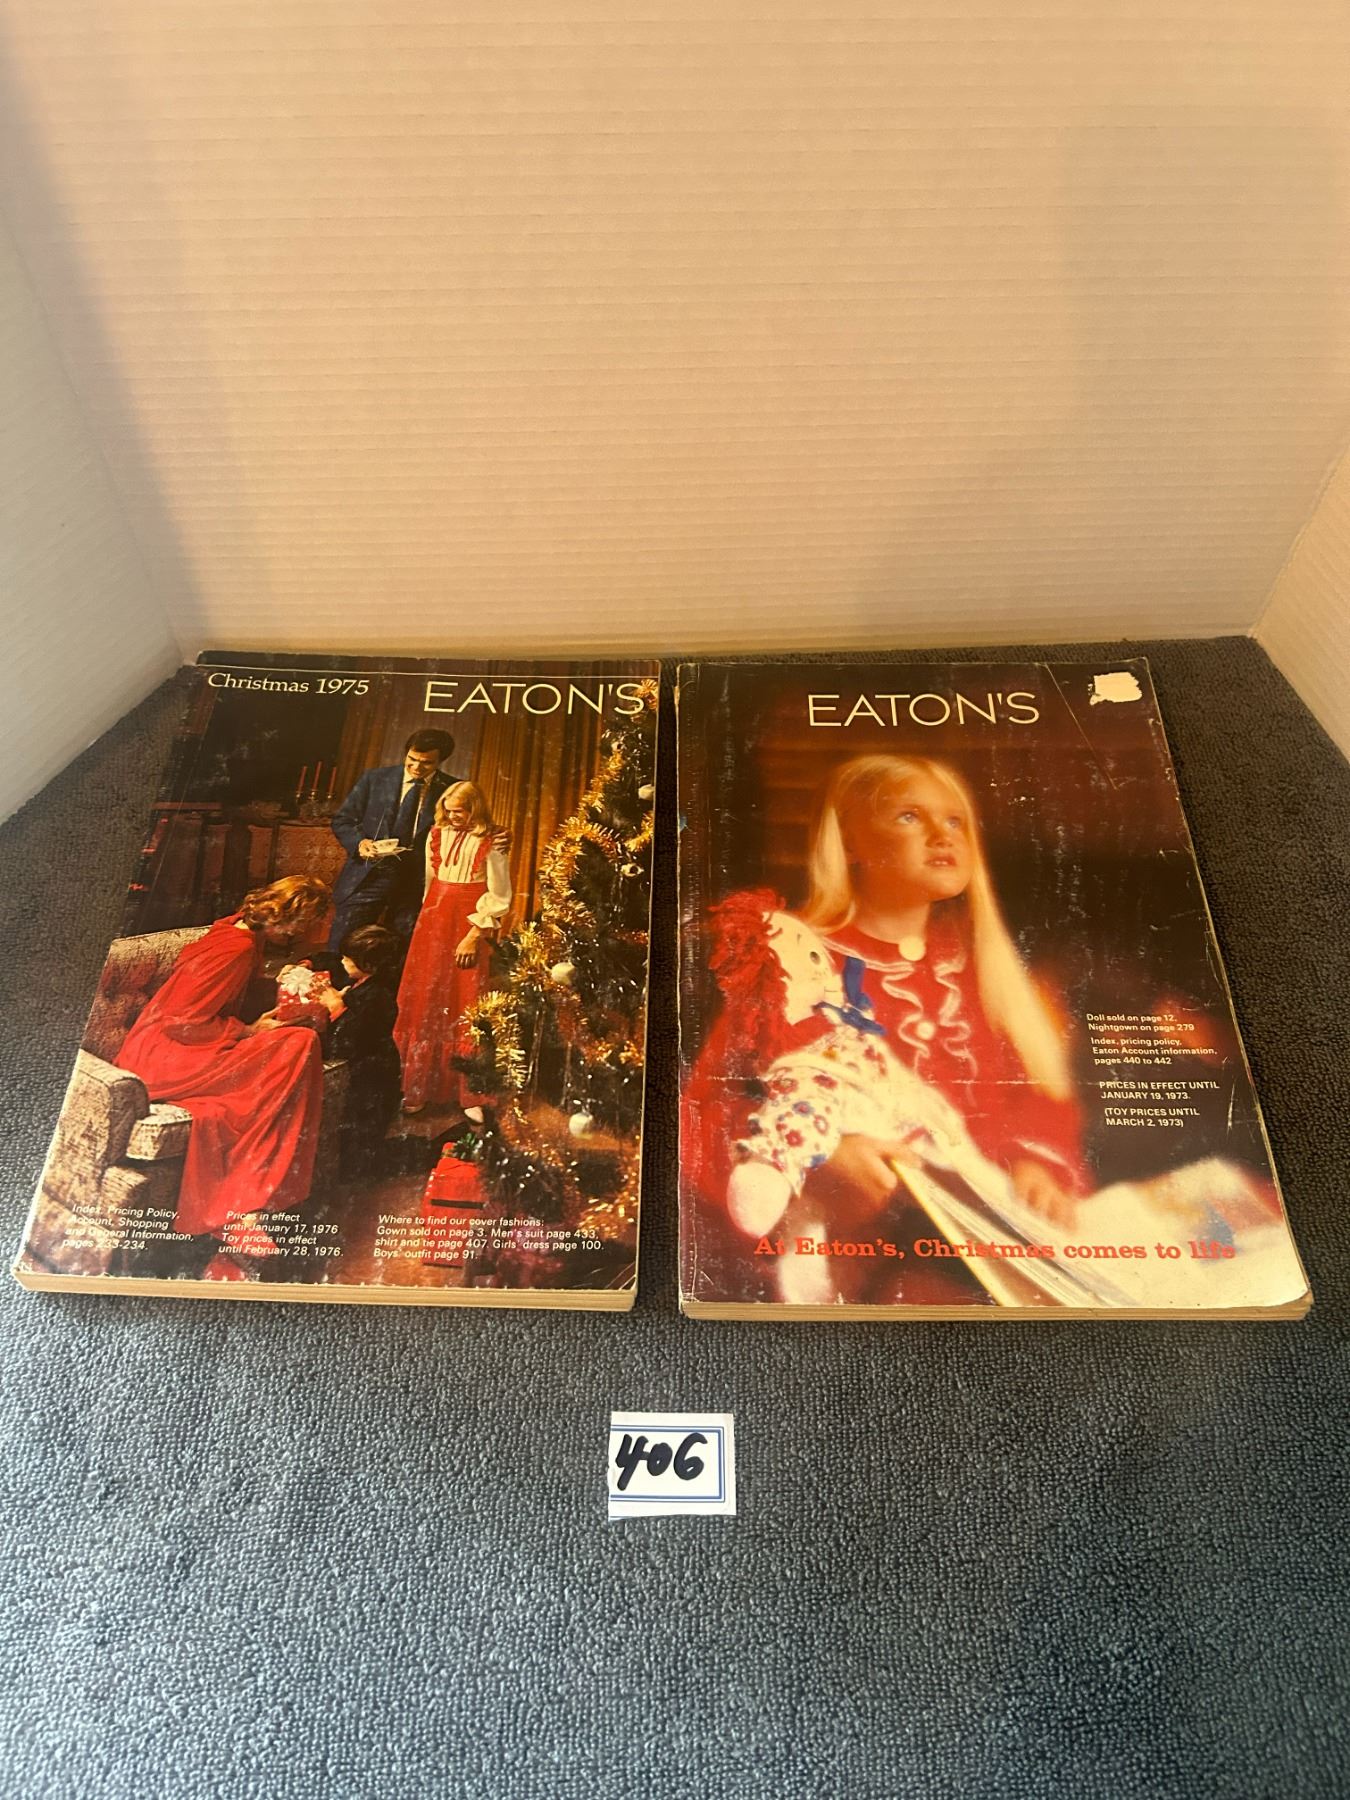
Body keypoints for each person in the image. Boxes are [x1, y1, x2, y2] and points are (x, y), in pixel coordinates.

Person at [683, 754, 1084, 1305]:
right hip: (861, 1246)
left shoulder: (980, 967)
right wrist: (826, 1162)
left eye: (955, 820)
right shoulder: (796, 961)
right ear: (850, 842)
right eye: (910, 817)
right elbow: (708, 1104)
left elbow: (1034, 1092)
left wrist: (1036, 1162)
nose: (942, 835)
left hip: (990, 1231)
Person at [115, 875, 331, 1269]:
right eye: (300, 924)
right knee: (299, 1044)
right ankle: (244, 1204)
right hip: (165, 1056)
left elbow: (220, 995)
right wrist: (248, 1031)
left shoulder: (238, 929)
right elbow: (181, 1021)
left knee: (292, 1046)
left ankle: (246, 1202)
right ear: (283, 915)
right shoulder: (237, 947)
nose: (300, 933)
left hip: (166, 1049)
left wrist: (288, 986)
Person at [394, 781, 512, 1116]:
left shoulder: (494, 839)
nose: (453, 817)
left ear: (475, 808)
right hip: (433, 923)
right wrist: (427, 924)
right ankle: (417, 1086)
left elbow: (499, 895)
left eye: (459, 811)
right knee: (426, 996)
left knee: (466, 997)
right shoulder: (437, 833)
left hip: (467, 923)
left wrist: (474, 935)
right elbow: (430, 883)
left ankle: (470, 1094)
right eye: (448, 811)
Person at [327, 730, 458, 951]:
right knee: (343, 944)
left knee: (400, 950)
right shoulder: (375, 779)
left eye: (426, 763)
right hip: (369, 875)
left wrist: (499, 836)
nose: (417, 767)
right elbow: (343, 820)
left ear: (440, 761)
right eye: (412, 759)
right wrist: (360, 843)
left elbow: (471, 825)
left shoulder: (452, 789)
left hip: (415, 882)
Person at [310, 924, 404, 1179]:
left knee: (362, 1137)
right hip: (369, 1066)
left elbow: (350, 1039)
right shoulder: (365, 981)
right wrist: (309, 963)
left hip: (373, 1072)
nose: (342, 962)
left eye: (348, 960)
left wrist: (338, 1008)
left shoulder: (378, 995)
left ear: (369, 965)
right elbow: (332, 960)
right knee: (354, 1133)